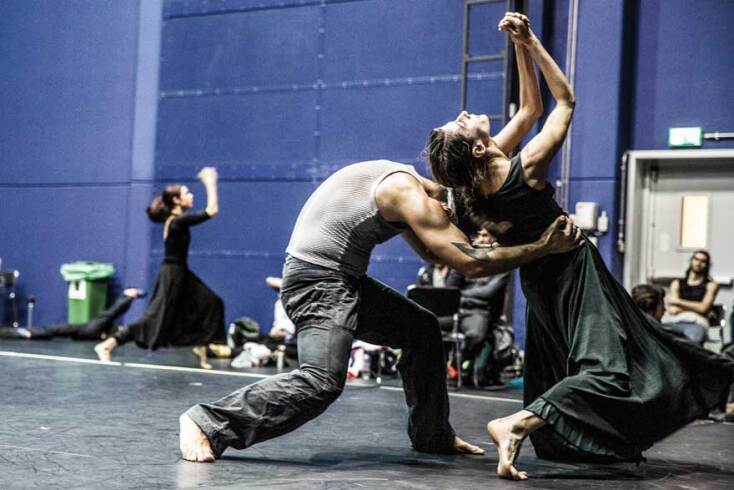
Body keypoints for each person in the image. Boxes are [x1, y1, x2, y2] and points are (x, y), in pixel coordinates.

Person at [427, 12, 734, 480]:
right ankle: (516, 423)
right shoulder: (526, 165)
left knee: (569, 364)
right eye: (460, 123)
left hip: (538, 280)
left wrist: (519, 45)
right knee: (607, 369)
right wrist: (534, 41)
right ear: (477, 149)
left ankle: (571, 441)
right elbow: (564, 101)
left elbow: (529, 110)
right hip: (572, 270)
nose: (465, 114)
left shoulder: (474, 185)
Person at [178, 120, 585, 461]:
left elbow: (434, 254)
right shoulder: (407, 194)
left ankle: (432, 436)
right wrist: (542, 247)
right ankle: (208, 422)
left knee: (422, 331)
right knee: (321, 380)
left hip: (342, 280)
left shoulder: (407, 189)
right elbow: (471, 264)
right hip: (317, 282)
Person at [94, 167, 226, 369]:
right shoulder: (178, 221)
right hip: (171, 274)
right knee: (154, 318)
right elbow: (212, 210)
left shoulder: (176, 221)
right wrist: (210, 182)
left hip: (181, 272)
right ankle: (108, 344)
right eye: (187, 193)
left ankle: (199, 349)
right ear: (176, 200)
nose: (191, 196)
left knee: (212, 303)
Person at [448, 229, 511, 387]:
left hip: (480, 311)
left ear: (494, 239)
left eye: (485, 235)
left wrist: (461, 295)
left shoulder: (503, 263)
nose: (481, 239)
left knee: (476, 335)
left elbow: (488, 292)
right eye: (478, 236)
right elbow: (450, 289)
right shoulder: (464, 258)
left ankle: (455, 363)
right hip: (455, 309)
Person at [0, 288, 144, 340]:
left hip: (90, 331)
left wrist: (128, 297)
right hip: (90, 332)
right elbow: (114, 313)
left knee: (56, 330)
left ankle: (128, 295)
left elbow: (113, 313)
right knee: (109, 315)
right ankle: (128, 295)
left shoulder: (119, 332)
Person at [662, 250, 719, 344]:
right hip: (674, 321)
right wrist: (698, 308)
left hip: (697, 323)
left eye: (703, 261)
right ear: (691, 261)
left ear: (707, 265)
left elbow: (703, 308)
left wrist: (677, 301)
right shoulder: (676, 283)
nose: (698, 263)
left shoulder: (711, 285)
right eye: (696, 259)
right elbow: (673, 310)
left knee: (691, 343)